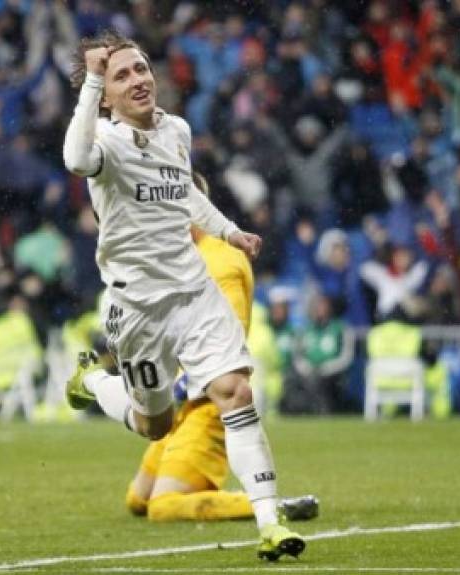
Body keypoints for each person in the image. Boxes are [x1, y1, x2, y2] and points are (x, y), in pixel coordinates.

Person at [60, 31, 304, 560]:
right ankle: (94, 382)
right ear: (105, 94)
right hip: (138, 308)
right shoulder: (105, 142)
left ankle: (270, 522)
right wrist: (92, 79)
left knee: (236, 392)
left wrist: (229, 231)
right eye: (121, 75)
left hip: (194, 292)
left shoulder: (177, 131)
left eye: (141, 68)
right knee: (156, 426)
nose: (137, 79)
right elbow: (76, 161)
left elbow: (184, 192)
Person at [124, 173, 318, 523]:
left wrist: (182, 384)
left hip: (208, 401)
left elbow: (226, 338)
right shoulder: (185, 256)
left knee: (162, 507)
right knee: (136, 499)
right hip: (179, 400)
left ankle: (268, 505)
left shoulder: (221, 261)